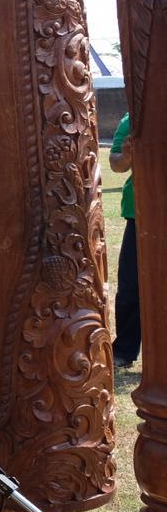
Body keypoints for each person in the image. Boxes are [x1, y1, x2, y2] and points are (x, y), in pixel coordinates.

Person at [110, 112, 139, 368]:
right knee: (131, 286)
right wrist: (127, 156)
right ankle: (125, 350)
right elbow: (116, 162)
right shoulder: (132, 119)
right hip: (140, 212)